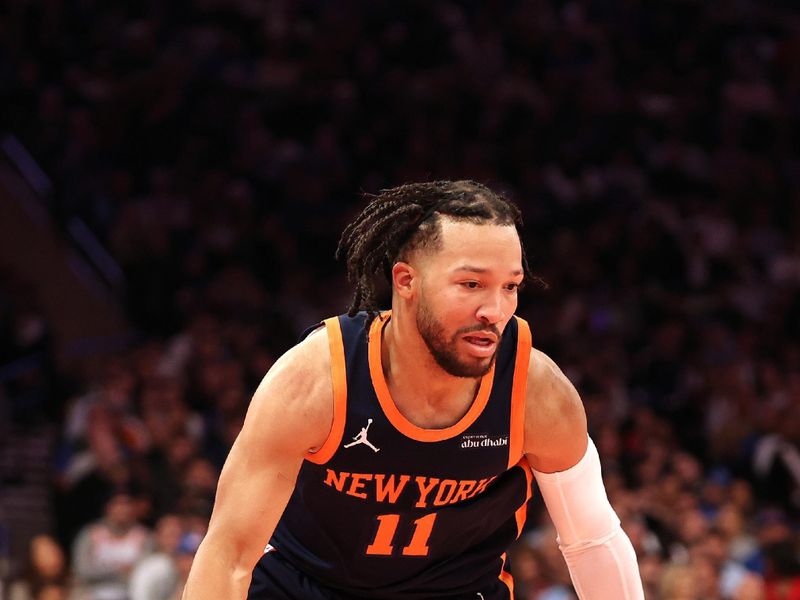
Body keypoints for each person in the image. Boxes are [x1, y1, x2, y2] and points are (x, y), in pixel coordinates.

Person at [183, 181, 644, 599]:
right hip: (306, 589)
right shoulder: (317, 379)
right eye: (471, 284)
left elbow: (591, 540)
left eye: (510, 287)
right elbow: (228, 557)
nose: (495, 309)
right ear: (406, 281)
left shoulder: (536, 392)